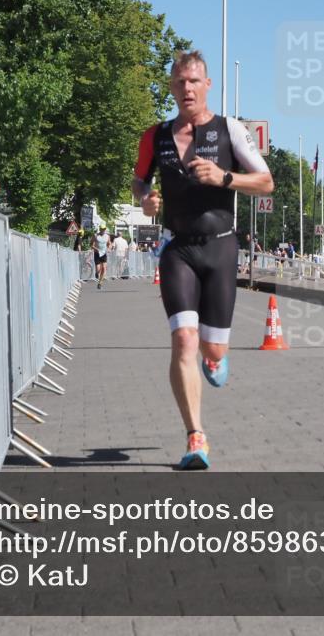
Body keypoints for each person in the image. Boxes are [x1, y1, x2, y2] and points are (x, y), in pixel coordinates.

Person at [133, 50, 273, 470]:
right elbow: (139, 181)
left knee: (211, 346)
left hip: (221, 247)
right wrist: (146, 199)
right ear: (172, 87)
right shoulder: (154, 136)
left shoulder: (230, 129)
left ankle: (216, 356)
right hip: (178, 248)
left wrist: (225, 178)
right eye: (179, 82)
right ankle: (196, 436)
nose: (187, 88)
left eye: (194, 81)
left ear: (207, 85)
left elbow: (266, 182)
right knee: (183, 340)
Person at [92, 225, 110, 289]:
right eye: (102, 229)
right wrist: (96, 249)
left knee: (104, 268)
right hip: (97, 253)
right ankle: (97, 273)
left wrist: (108, 248)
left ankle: (100, 283)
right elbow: (91, 245)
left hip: (104, 253)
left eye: (104, 229)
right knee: (98, 269)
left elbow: (109, 244)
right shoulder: (95, 235)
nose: (103, 230)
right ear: (100, 229)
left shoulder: (107, 236)